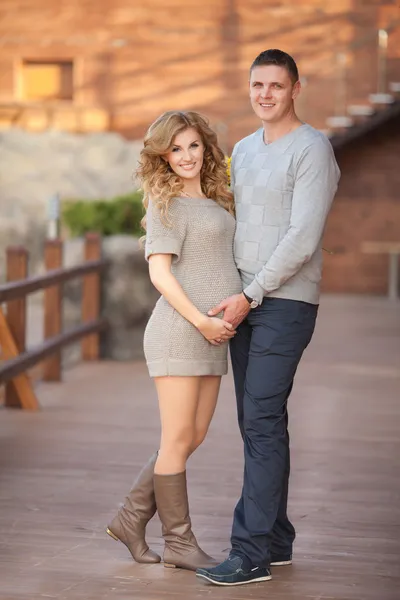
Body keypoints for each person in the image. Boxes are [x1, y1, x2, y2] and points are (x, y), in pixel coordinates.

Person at [196, 49, 341, 586]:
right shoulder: (243, 149)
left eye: (276, 86)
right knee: (256, 422)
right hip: (244, 301)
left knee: (260, 421)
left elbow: (302, 238)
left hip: (284, 302)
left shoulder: (313, 150)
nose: (265, 95)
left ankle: (250, 552)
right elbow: (230, 222)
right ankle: (276, 538)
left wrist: (251, 293)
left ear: (295, 89)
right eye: (257, 85)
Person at [106, 110, 243, 571]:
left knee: (192, 436)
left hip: (211, 335)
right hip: (180, 331)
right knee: (178, 437)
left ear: (205, 148)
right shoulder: (164, 203)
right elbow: (159, 274)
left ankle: (130, 517)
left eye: (193, 146)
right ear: (162, 155)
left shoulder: (218, 199)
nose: (185, 156)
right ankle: (179, 542)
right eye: (175, 148)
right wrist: (202, 323)